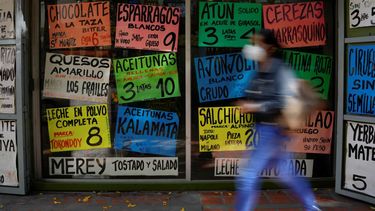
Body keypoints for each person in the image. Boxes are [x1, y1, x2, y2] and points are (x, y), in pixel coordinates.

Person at [235, 29, 321, 211]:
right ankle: (312, 206)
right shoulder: (259, 70)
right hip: (262, 130)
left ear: (271, 48)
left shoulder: (281, 70)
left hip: (273, 130)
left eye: (258, 44)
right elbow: (254, 94)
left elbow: (283, 100)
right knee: (286, 172)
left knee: (247, 175)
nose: (253, 48)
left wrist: (254, 107)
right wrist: (247, 102)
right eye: (253, 44)